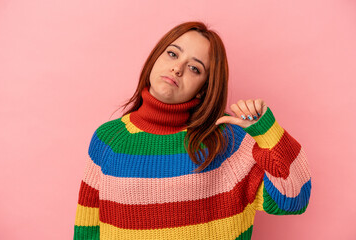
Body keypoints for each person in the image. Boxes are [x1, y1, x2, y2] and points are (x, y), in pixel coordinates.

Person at [73, 21, 312, 240]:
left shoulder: (227, 140)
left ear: (203, 89)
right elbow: (87, 229)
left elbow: (293, 199)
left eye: (195, 69)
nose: (177, 68)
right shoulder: (108, 138)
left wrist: (267, 131)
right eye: (172, 54)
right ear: (155, 59)